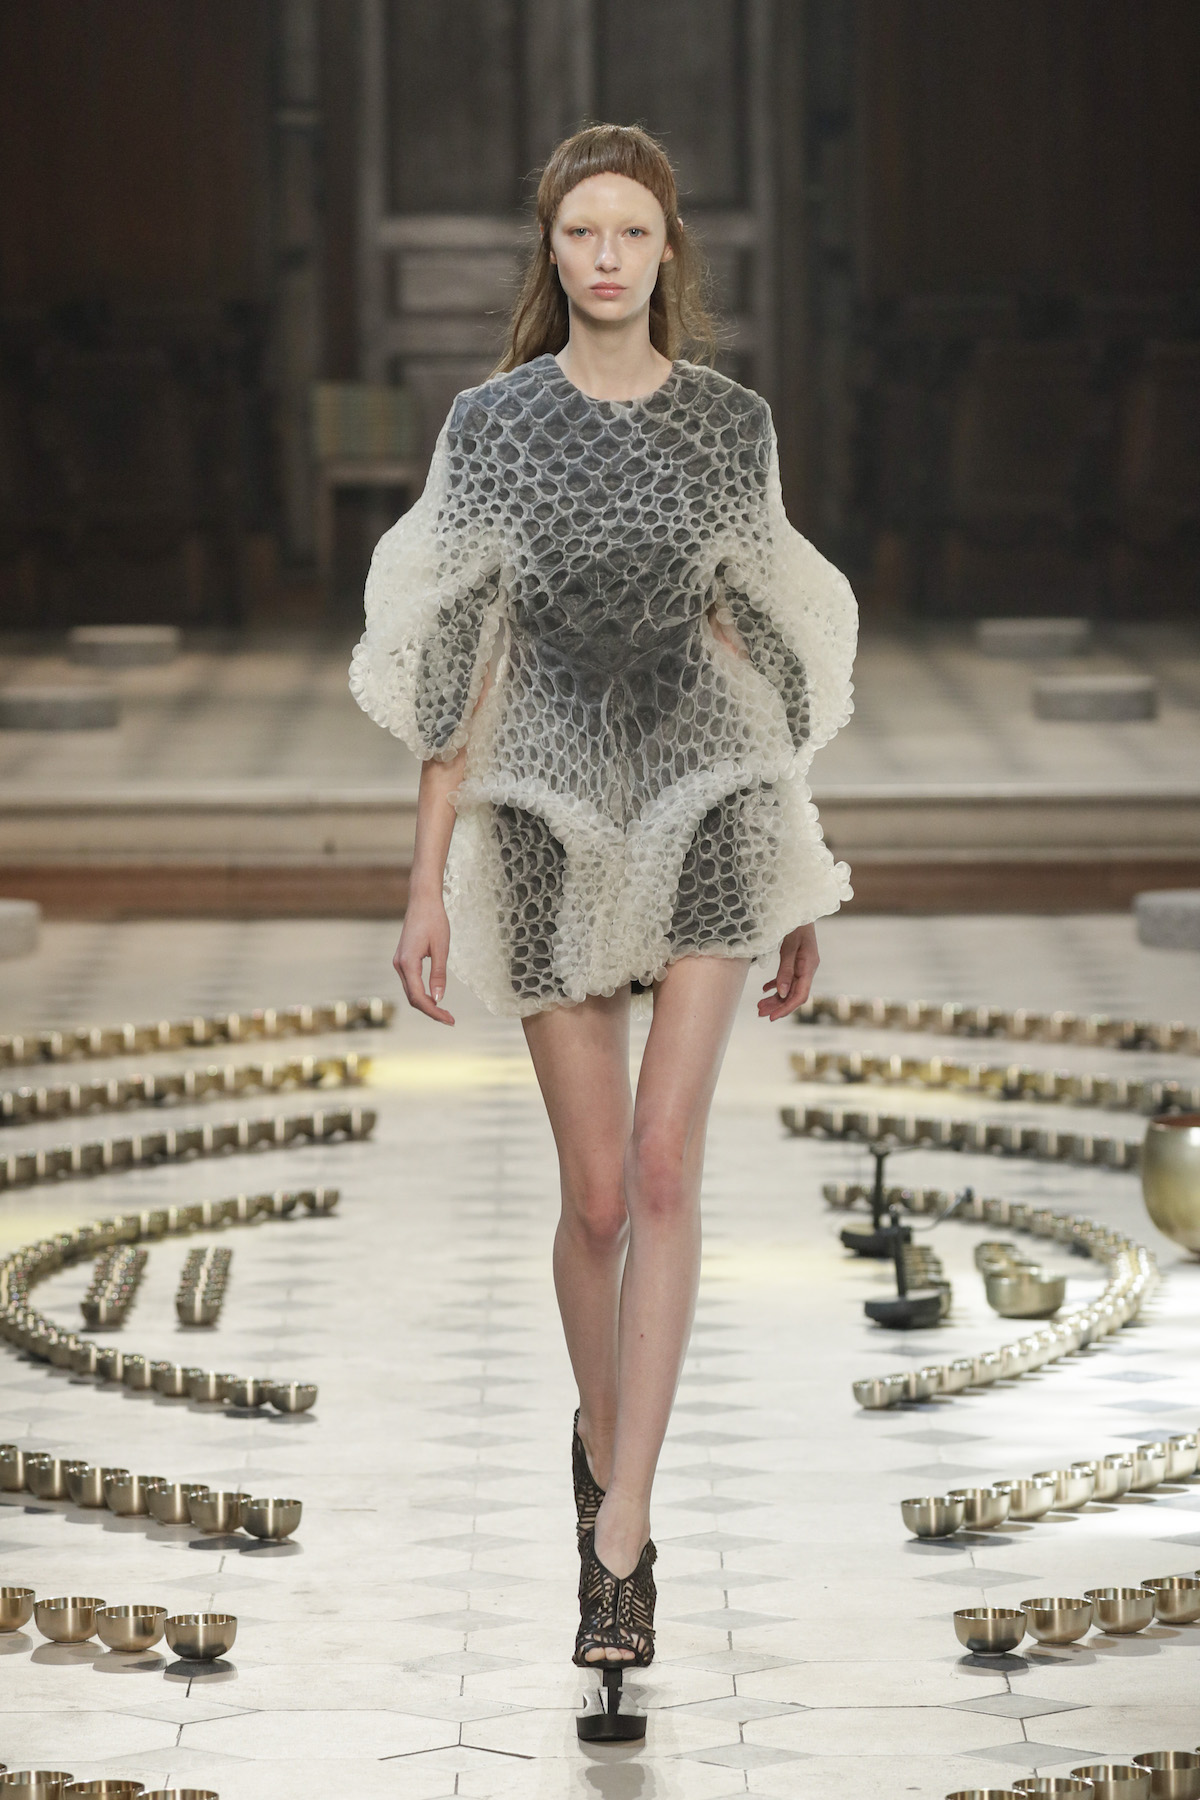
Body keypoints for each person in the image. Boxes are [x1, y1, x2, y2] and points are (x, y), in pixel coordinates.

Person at [350, 123, 857, 1671]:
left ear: (666, 251)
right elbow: (459, 660)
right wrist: (425, 882)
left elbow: (760, 647)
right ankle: (599, 1433)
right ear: (554, 252)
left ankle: (622, 1534)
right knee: (592, 1198)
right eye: (584, 232)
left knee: (662, 1167)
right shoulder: (493, 426)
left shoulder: (729, 426)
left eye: (633, 231)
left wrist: (795, 862)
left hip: (708, 804)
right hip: (544, 815)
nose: (609, 256)